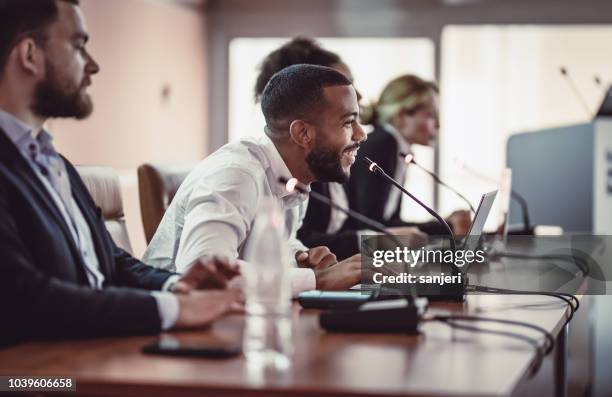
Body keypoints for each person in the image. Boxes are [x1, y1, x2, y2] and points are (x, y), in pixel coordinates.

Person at [0, 0, 241, 347]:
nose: (94, 65)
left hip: (95, 354)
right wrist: (173, 309)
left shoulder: (55, 162)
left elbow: (109, 262)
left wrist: (176, 284)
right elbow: (24, 299)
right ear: (29, 55)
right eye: (79, 45)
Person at [143, 64, 365, 292]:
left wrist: (298, 257)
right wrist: (318, 281)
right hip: (175, 323)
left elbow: (272, 241)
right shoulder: (236, 176)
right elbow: (204, 272)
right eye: (348, 122)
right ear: (303, 134)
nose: (362, 134)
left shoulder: (293, 176)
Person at [253, 38, 427, 261]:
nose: (359, 96)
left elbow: (296, 248)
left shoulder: (329, 161)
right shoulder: (284, 170)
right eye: (345, 84)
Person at [347, 74, 471, 237]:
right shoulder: (382, 146)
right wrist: (445, 227)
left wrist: (444, 224)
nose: (438, 124)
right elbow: (372, 225)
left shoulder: (396, 148)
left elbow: (391, 220)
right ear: (400, 116)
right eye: (430, 115)